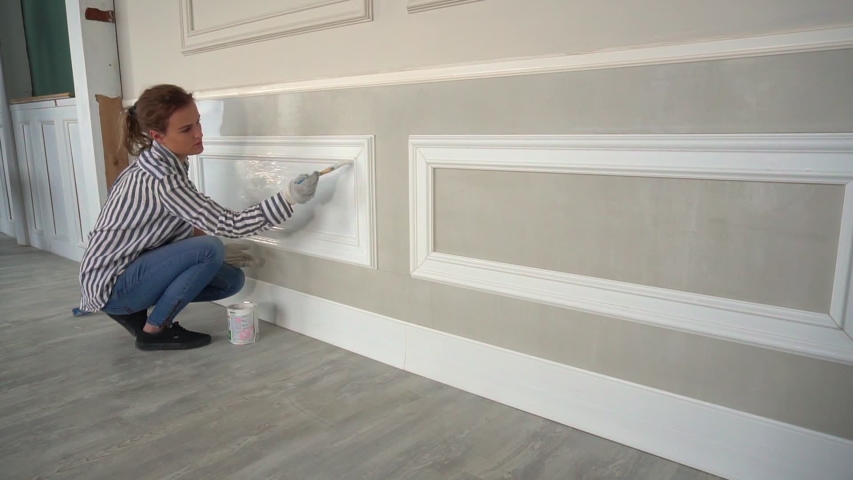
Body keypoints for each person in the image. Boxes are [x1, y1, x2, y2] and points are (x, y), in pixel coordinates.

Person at [75, 84, 320, 351]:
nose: (199, 133)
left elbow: (164, 225)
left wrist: (210, 250)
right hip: (113, 284)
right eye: (186, 129)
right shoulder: (163, 179)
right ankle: (154, 330)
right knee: (210, 249)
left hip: (129, 269)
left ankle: (135, 310)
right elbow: (229, 224)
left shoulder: (166, 161)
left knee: (231, 281)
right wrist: (288, 198)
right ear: (158, 136)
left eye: (198, 123)